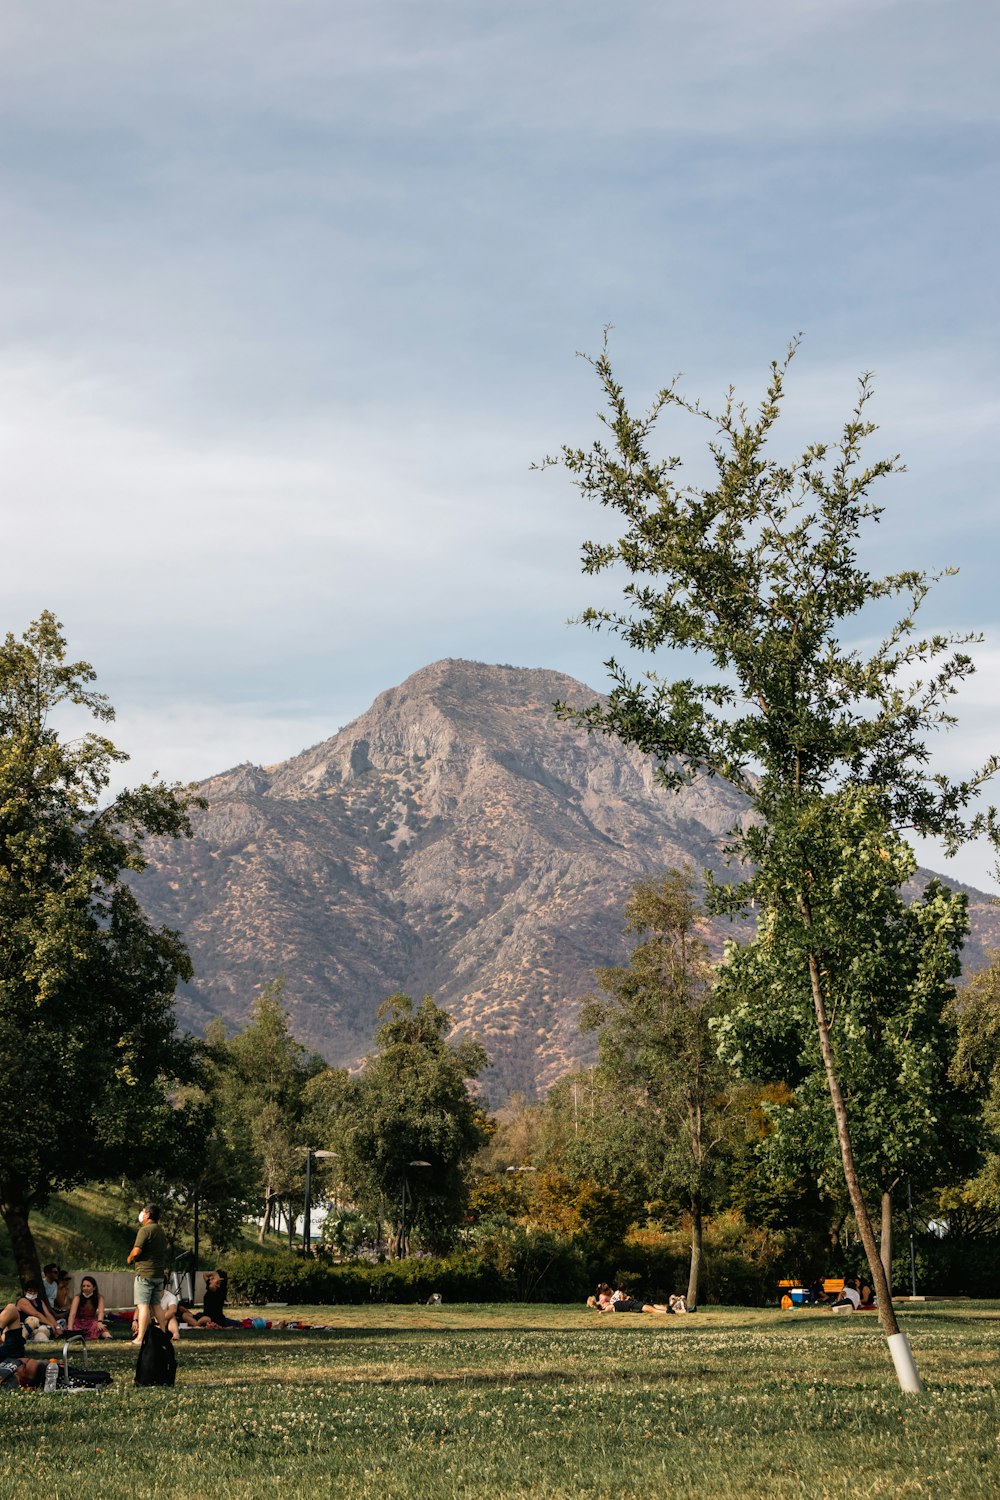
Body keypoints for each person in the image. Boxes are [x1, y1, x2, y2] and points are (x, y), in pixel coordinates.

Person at [126, 1203, 170, 1346]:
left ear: (148, 1214)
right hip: (158, 1274)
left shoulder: (145, 1230)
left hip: (145, 1274)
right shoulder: (161, 1231)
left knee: (143, 1305)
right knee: (156, 1305)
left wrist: (130, 1257)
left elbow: (137, 1250)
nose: (141, 1214)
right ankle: (163, 1334)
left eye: (143, 1212)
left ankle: (140, 1338)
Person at [67, 1276, 110, 1341]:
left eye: (88, 1286)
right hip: (78, 1322)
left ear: (94, 1287)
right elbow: (72, 1315)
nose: (85, 1288)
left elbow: (101, 1312)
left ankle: (108, 1337)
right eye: (83, 1286)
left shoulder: (99, 1297)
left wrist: (100, 1322)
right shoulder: (77, 1297)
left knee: (100, 1327)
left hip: (91, 1322)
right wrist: (70, 1330)